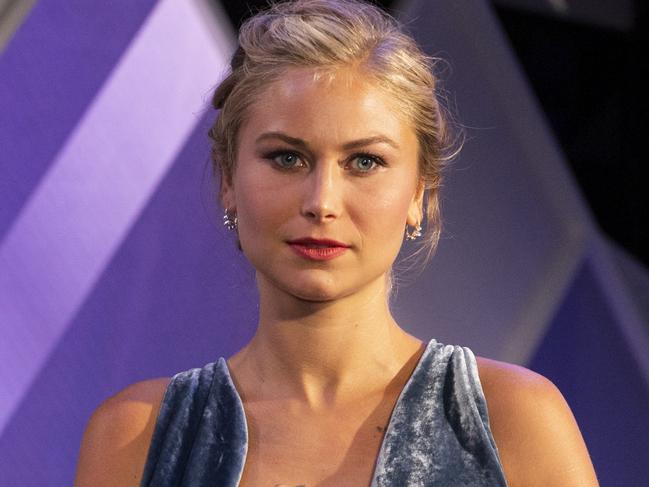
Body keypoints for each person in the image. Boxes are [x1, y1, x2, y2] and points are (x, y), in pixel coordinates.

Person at [74, 1, 599, 485]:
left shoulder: (511, 420)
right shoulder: (137, 437)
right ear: (229, 180)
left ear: (419, 193)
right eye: (287, 158)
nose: (322, 201)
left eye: (364, 162)